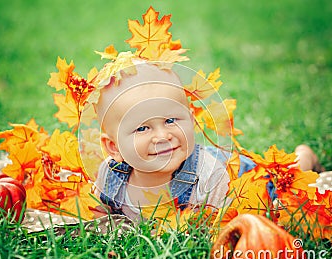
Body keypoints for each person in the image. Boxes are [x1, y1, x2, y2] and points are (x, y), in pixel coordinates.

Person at [93, 62, 256, 219]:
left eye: (170, 121)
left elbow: (222, 227)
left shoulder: (210, 179)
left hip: (249, 177)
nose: (163, 136)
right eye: (142, 128)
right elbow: (98, 219)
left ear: (191, 120)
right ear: (114, 147)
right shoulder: (111, 176)